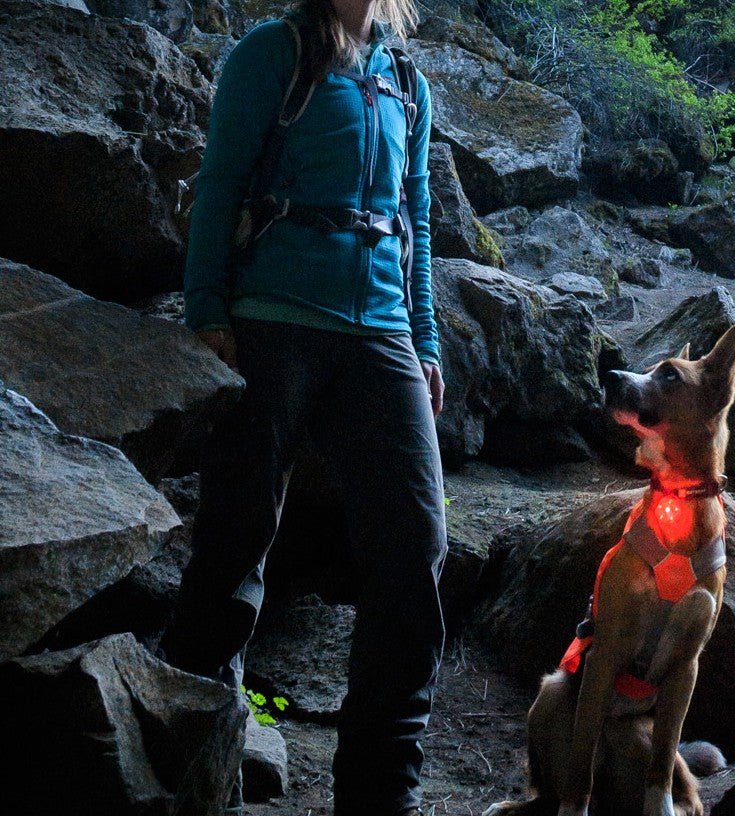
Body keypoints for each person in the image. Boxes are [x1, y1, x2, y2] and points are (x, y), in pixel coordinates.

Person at [156, 0, 447, 813]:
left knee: (416, 547)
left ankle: (381, 791)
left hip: (382, 334)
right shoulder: (269, 55)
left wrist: (425, 340)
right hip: (270, 320)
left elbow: (415, 222)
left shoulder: (408, 81)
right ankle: (190, 753)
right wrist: (206, 310)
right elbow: (219, 182)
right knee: (234, 542)